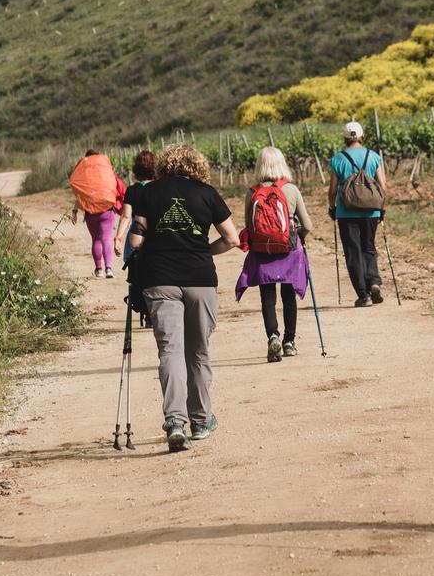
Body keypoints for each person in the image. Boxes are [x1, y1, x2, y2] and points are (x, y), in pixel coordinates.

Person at [124, 142, 237, 451]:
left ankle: (176, 422)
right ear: (197, 165)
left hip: (160, 280)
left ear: (164, 165)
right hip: (200, 279)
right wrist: (203, 249)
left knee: (170, 352)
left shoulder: (148, 193)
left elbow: (136, 239)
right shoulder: (207, 194)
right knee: (198, 352)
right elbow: (232, 238)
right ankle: (201, 421)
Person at [233, 145, 317, 361]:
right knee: (289, 295)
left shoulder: (252, 193)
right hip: (288, 250)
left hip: (262, 250)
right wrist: (297, 237)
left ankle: (273, 336)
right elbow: (307, 224)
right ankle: (290, 342)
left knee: (267, 297)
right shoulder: (291, 190)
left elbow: (249, 227)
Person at [328, 120, 386, 305]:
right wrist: (381, 209)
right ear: (362, 136)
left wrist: (332, 208)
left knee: (353, 252)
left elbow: (332, 190)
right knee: (369, 248)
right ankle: (374, 281)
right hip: (371, 212)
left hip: (347, 212)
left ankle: (363, 295)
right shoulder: (374, 156)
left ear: (345, 138)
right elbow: (383, 188)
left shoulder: (338, 158)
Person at [68, 147, 126, 278]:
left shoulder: (85, 176)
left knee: (96, 240)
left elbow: (80, 195)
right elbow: (120, 188)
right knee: (106, 239)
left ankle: (99, 269)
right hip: (107, 209)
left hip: (90, 212)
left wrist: (75, 211)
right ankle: (109, 269)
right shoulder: (106, 172)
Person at [117, 149, 155, 273]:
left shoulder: (132, 190)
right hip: (157, 233)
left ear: (136, 168)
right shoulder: (161, 188)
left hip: (136, 234)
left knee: (134, 272)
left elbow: (126, 216)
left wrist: (118, 238)